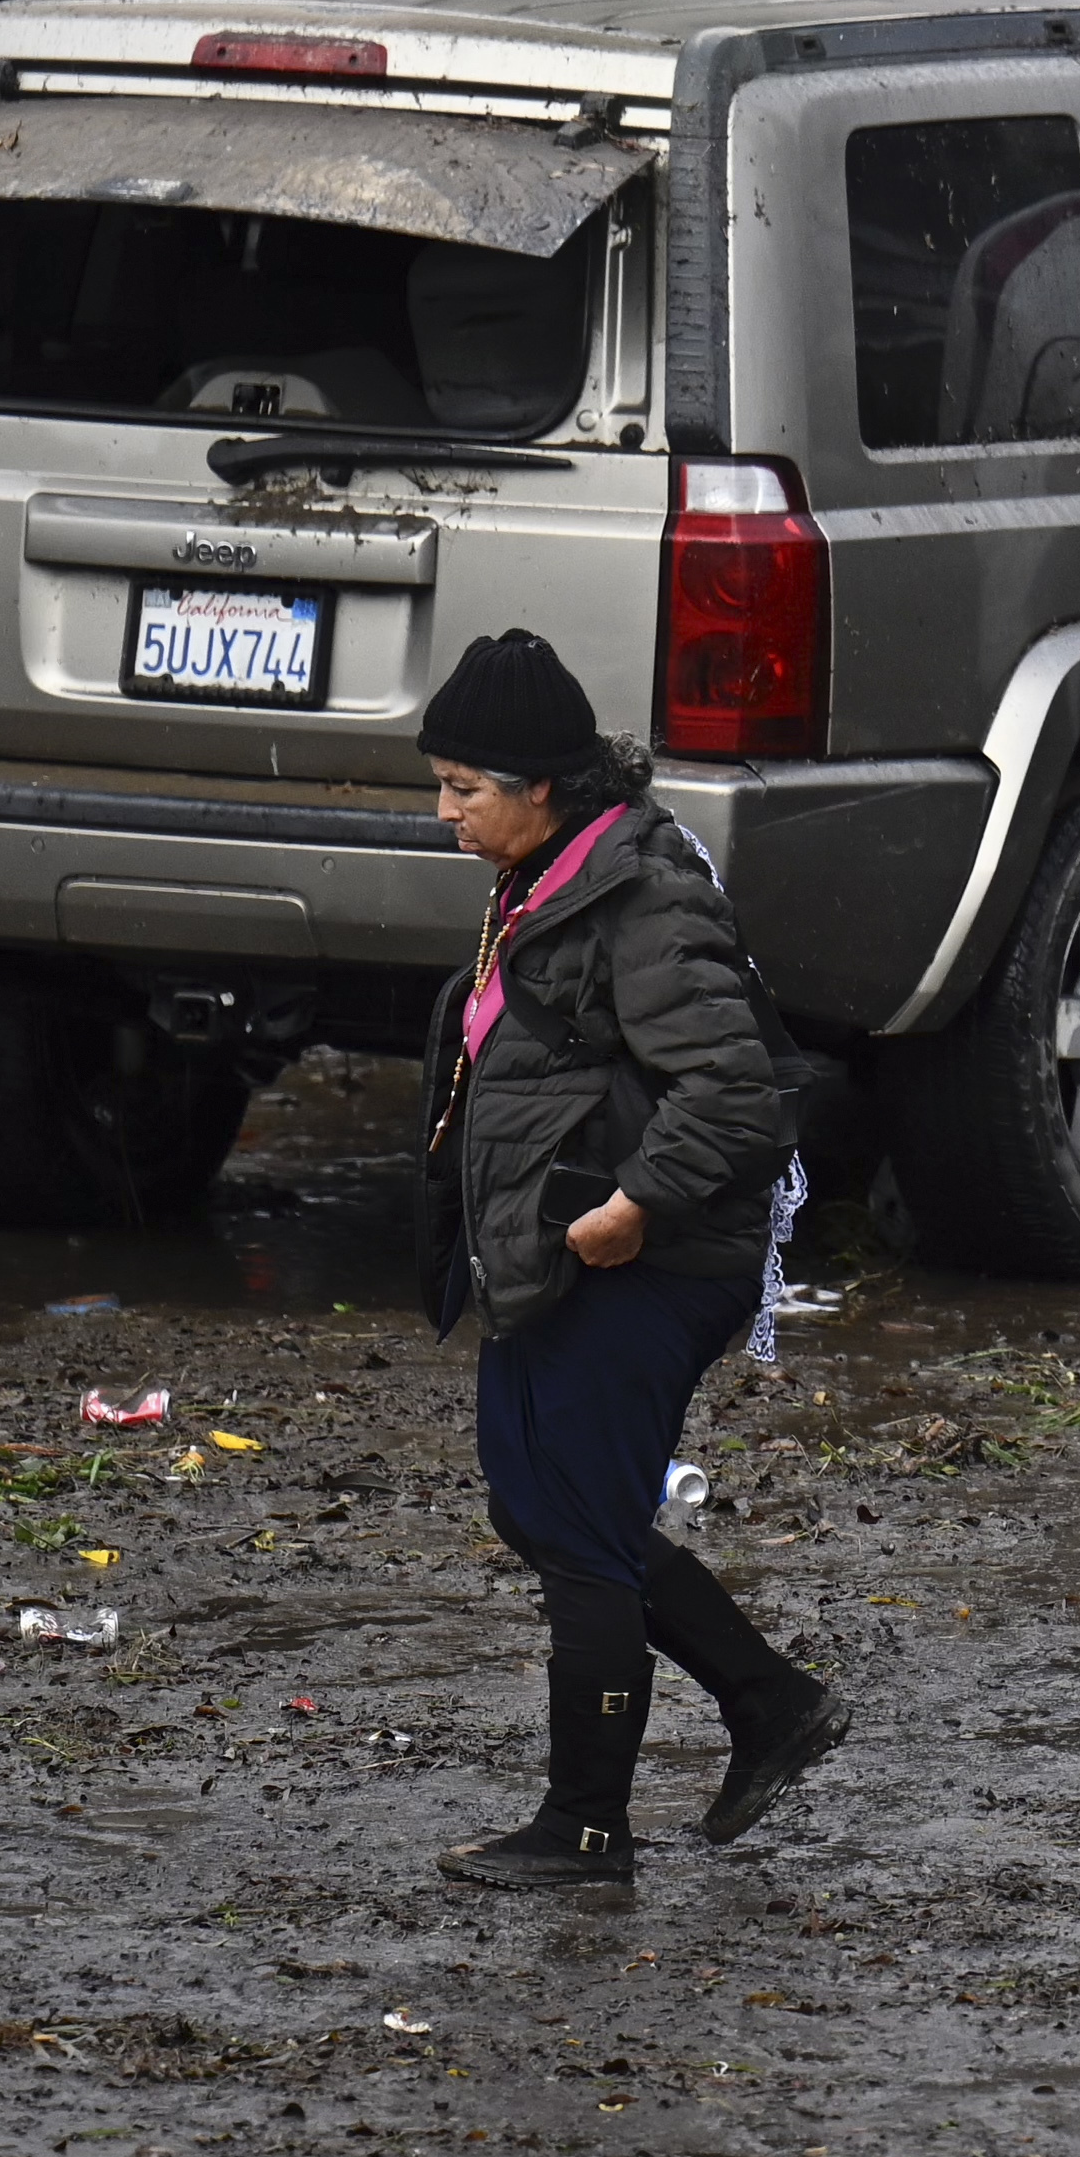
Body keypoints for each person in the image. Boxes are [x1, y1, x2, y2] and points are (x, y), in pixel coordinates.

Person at [413, 624, 841, 1886]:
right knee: (537, 1501)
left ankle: (587, 1827)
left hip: (647, 1259)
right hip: (555, 1256)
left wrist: (634, 1208)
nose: (444, 811)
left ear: (544, 785)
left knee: (585, 1529)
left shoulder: (641, 893)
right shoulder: (546, 875)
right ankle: (770, 1703)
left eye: (464, 788)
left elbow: (736, 1089)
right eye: (439, 783)